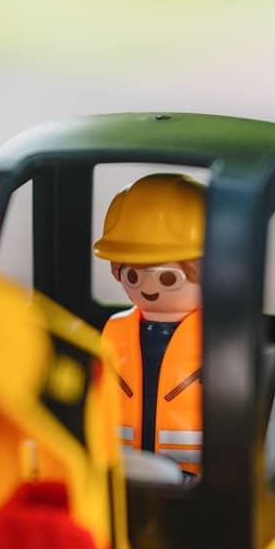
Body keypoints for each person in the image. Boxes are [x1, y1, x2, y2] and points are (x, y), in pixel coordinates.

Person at [93, 173, 205, 475]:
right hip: (122, 473)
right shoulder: (115, 332)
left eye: (169, 277)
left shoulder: (217, 337)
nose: (148, 287)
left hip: (195, 481)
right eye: (133, 275)